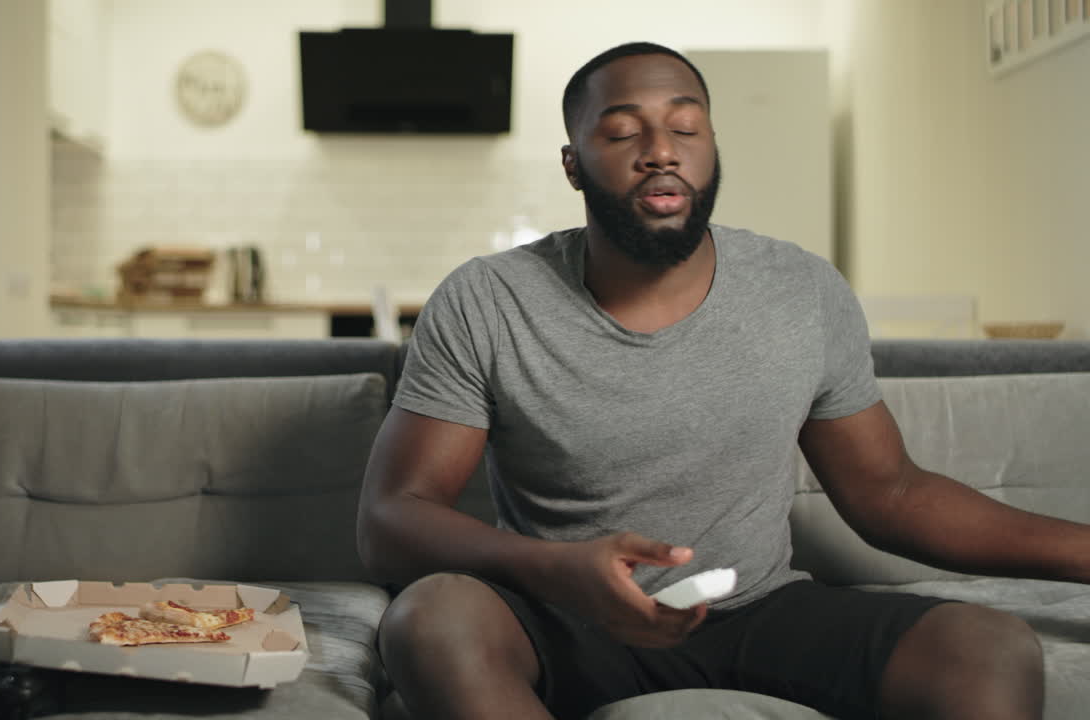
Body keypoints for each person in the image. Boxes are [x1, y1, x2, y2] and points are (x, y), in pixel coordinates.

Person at [357, 42, 1085, 720]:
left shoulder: (802, 289)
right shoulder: (487, 299)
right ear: (573, 164)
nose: (660, 150)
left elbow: (889, 493)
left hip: (758, 612)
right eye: (623, 132)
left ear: (711, 148)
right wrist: (553, 569)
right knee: (432, 620)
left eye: (686, 127)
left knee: (985, 646)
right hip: (562, 618)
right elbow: (391, 519)